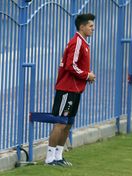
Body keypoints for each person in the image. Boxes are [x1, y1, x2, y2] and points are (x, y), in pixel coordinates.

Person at [45, 13, 96, 166]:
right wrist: (87, 76)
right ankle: (49, 158)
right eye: (90, 26)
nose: (93, 29)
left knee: (68, 124)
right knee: (61, 123)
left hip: (75, 90)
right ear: (82, 27)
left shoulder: (84, 43)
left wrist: (87, 76)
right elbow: (70, 66)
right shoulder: (77, 42)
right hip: (67, 90)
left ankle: (58, 156)